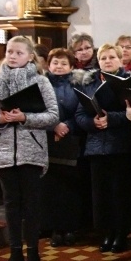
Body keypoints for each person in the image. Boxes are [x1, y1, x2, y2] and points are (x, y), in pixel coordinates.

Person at [0, 36, 59, 261]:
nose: (12, 56)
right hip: (3, 151)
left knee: (31, 204)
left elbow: (53, 116)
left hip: (30, 151)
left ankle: (33, 252)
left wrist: (25, 118)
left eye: (18, 53)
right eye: (9, 51)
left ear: (30, 56)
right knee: (11, 204)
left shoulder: (40, 82)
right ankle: (15, 254)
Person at [75, 44, 131, 254]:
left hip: (121, 145)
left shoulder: (128, 83)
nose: (107, 61)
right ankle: (107, 233)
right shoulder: (89, 82)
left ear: (121, 60)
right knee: (101, 194)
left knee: (119, 193)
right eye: (103, 58)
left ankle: (121, 234)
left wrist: (110, 120)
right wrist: (94, 122)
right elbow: (79, 115)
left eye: (112, 57)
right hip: (96, 147)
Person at [42, 48, 85, 247]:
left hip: (71, 139)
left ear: (71, 66)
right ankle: (54, 229)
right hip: (47, 139)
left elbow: (81, 109)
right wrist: (54, 126)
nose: (59, 67)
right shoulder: (41, 84)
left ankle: (70, 228)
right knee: (51, 187)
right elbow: (36, 108)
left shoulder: (78, 84)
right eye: (55, 63)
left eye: (63, 63)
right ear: (48, 65)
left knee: (70, 187)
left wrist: (67, 126)